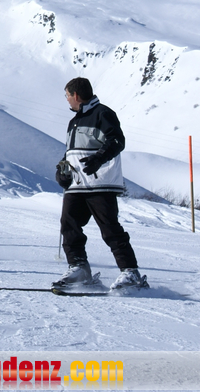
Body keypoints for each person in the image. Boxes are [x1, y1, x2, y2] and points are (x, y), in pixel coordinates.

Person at [55, 77, 147, 290]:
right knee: (69, 225)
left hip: (101, 184)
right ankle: (79, 268)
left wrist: (99, 159)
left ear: (76, 95)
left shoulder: (103, 113)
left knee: (109, 228)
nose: (67, 100)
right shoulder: (74, 121)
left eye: (67, 95)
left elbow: (117, 141)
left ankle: (130, 272)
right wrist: (62, 170)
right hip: (77, 184)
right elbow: (71, 152)